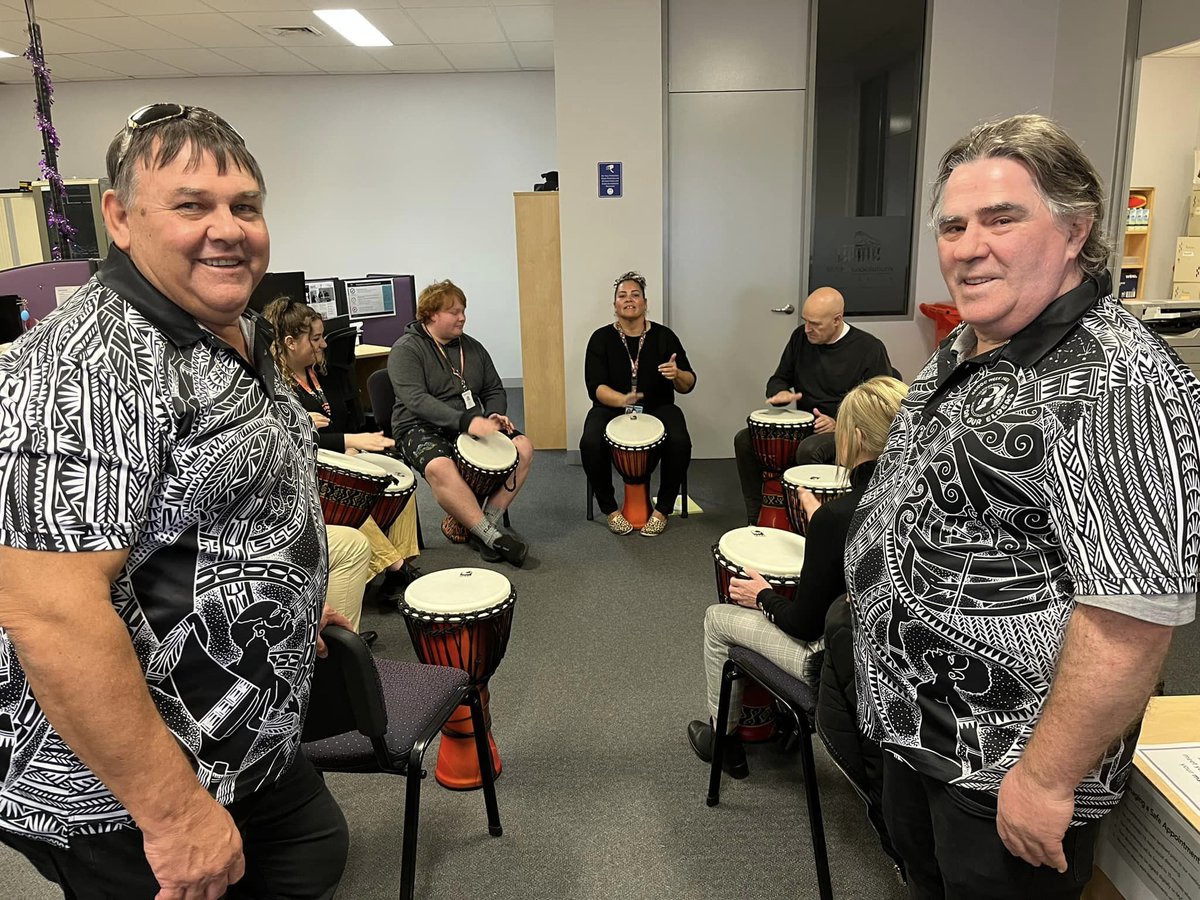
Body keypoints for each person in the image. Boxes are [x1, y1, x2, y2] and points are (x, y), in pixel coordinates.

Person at [847, 114, 1200, 900]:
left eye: (1002, 220)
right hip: (919, 732)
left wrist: (1044, 781)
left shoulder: (1119, 384)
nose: (969, 246)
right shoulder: (975, 340)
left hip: (1006, 764)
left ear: (1076, 230)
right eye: (954, 226)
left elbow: (1131, 616)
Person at [0, 104, 350, 898]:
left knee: (313, 853)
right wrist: (173, 816)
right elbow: (51, 615)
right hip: (124, 791)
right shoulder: (85, 369)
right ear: (120, 218)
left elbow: (220, 507)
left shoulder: (237, 327)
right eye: (192, 205)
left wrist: (291, 598)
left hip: (240, 734)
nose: (228, 228)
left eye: (245, 206)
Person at [687, 376, 907, 777]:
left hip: (835, 664)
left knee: (717, 620)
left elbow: (803, 625)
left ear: (855, 436)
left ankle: (724, 739)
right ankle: (782, 723)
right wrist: (820, 523)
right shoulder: (920, 497)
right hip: (899, 662)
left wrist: (763, 595)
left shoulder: (839, 516)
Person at [264, 295, 422, 610]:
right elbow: (290, 443)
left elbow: (345, 419)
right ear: (291, 343)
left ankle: (396, 573)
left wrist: (358, 443)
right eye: (317, 338)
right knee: (351, 499)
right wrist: (344, 440)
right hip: (306, 474)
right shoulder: (274, 387)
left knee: (400, 481)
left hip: (338, 459)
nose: (324, 345)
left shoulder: (320, 374)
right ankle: (399, 570)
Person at [388, 279, 533, 567]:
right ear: (431, 315)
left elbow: (493, 388)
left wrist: (494, 413)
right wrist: (467, 420)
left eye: (463, 310)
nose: (462, 317)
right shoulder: (406, 349)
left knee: (523, 447)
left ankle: (483, 529)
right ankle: (493, 538)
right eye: (453, 311)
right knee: (440, 466)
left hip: (470, 423)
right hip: (418, 426)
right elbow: (417, 401)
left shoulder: (473, 348)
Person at [733, 286, 893, 524]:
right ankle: (756, 519)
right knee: (744, 440)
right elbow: (779, 378)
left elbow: (879, 409)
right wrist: (780, 393)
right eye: (805, 321)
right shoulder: (800, 338)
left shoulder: (869, 348)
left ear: (837, 320)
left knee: (809, 450)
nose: (807, 329)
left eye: (815, 324)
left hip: (846, 431)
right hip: (807, 425)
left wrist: (840, 424)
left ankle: (813, 526)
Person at [581, 271, 696, 536]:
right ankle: (610, 509)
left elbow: (689, 383)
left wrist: (677, 374)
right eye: (622, 295)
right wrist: (622, 400)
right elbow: (595, 388)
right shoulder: (601, 338)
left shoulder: (665, 337)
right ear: (615, 305)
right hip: (611, 408)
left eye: (635, 295)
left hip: (658, 406)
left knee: (679, 439)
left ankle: (662, 509)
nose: (629, 300)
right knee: (589, 441)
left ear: (645, 302)